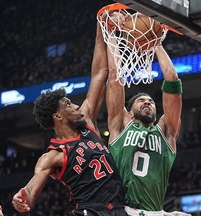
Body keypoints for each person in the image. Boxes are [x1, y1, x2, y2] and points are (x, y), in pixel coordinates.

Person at [12, 23, 127, 216]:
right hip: (89, 211)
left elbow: (100, 73)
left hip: (117, 209)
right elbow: (32, 189)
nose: (75, 106)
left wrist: (102, 31)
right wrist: (24, 198)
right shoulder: (54, 155)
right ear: (57, 116)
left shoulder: (87, 124)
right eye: (67, 104)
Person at [105, 30, 189, 215]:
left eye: (151, 101)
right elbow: (114, 76)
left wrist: (155, 43)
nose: (147, 102)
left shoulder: (166, 132)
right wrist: (111, 32)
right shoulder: (120, 126)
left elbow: (173, 80)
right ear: (130, 112)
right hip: (125, 210)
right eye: (141, 100)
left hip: (156, 211)